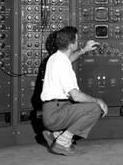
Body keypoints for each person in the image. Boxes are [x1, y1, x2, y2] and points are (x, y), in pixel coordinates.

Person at [40, 26, 108, 155]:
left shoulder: (56, 58)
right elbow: (76, 96)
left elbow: (69, 60)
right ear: (71, 45)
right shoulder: (62, 64)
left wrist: (84, 50)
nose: (78, 42)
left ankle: (56, 135)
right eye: (76, 40)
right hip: (56, 113)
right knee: (94, 108)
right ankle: (62, 142)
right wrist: (98, 101)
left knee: (81, 105)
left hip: (51, 110)